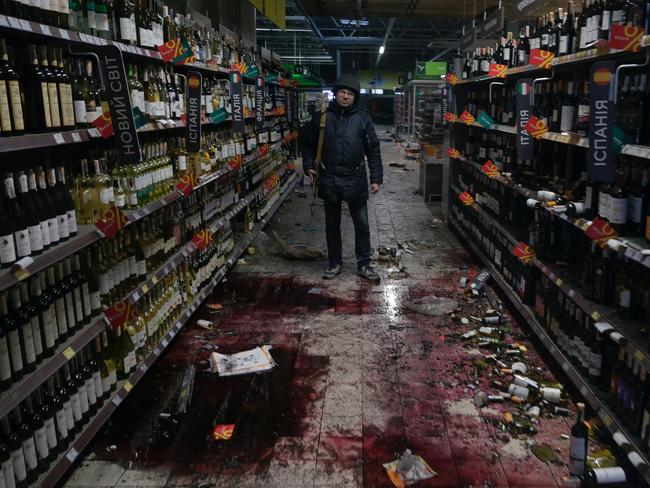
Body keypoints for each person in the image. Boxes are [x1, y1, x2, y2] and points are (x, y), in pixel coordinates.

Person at [301, 73, 383, 282]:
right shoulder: (322, 116)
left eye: (350, 94)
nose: (346, 96)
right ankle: (334, 263)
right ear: (335, 94)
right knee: (331, 225)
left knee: (362, 224)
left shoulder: (362, 119)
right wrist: (309, 165)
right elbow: (308, 143)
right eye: (342, 92)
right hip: (329, 178)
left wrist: (376, 177)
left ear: (355, 97)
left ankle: (364, 263)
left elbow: (373, 149)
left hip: (355, 178)